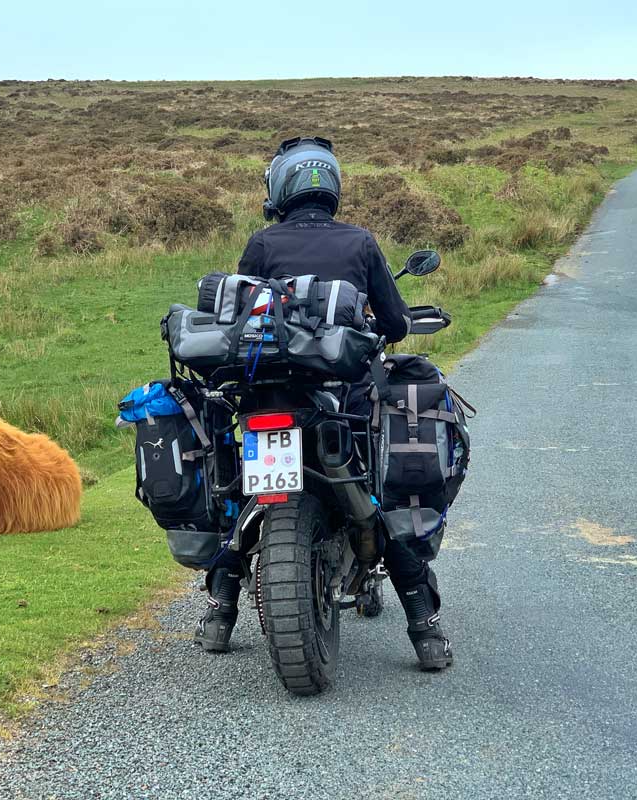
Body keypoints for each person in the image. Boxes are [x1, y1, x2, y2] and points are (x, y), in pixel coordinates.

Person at [193, 136, 453, 671]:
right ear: (331, 185)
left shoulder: (262, 243)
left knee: (247, 495)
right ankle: (424, 631)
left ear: (281, 187)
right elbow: (398, 323)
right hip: (343, 402)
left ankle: (220, 613)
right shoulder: (360, 242)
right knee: (380, 502)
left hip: (268, 400)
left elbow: (246, 316)